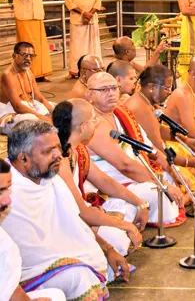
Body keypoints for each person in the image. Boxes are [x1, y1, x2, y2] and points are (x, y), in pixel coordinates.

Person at [2, 120, 130, 299]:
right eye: (48, 151)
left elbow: (76, 223)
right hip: (27, 275)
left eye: (57, 148)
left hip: (61, 257)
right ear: (23, 158)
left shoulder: (48, 177)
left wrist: (108, 249)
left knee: (115, 243)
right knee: (79, 277)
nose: (58, 156)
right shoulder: (6, 189)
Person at [83, 72, 184, 225]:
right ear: (89, 94)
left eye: (114, 88)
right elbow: (125, 166)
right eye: (104, 90)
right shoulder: (91, 124)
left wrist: (174, 172)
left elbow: (150, 148)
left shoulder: (121, 114)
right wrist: (163, 185)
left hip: (139, 175)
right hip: (112, 186)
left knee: (174, 177)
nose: (111, 93)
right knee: (161, 194)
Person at [51, 98, 146, 259]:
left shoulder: (77, 149)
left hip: (83, 213)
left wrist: (141, 204)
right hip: (64, 222)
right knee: (118, 240)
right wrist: (126, 226)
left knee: (131, 208)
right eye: (93, 119)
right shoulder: (59, 160)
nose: (96, 123)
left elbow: (104, 181)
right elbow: (81, 211)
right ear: (83, 127)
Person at [7, 0, 52, 81]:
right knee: (26, 47)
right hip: (24, 14)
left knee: (40, 46)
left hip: (37, 13)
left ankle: (40, 75)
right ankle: (28, 75)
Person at [62, 0, 103, 71]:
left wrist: (89, 15)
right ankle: (75, 70)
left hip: (91, 20)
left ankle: (95, 67)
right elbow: (69, 3)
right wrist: (84, 13)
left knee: (93, 46)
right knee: (77, 47)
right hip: (77, 20)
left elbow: (98, 1)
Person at [0, 44, 50, 118]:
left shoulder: (29, 73)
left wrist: (56, 113)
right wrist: (44, 118)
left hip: (30, 107)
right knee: (33, 120)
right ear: (14, 56)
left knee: (58, 108)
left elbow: (40, 98)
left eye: (31, 56)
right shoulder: (7, 75)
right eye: (24, 55)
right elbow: (17, 106)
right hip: (12, 112)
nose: (28, 58)